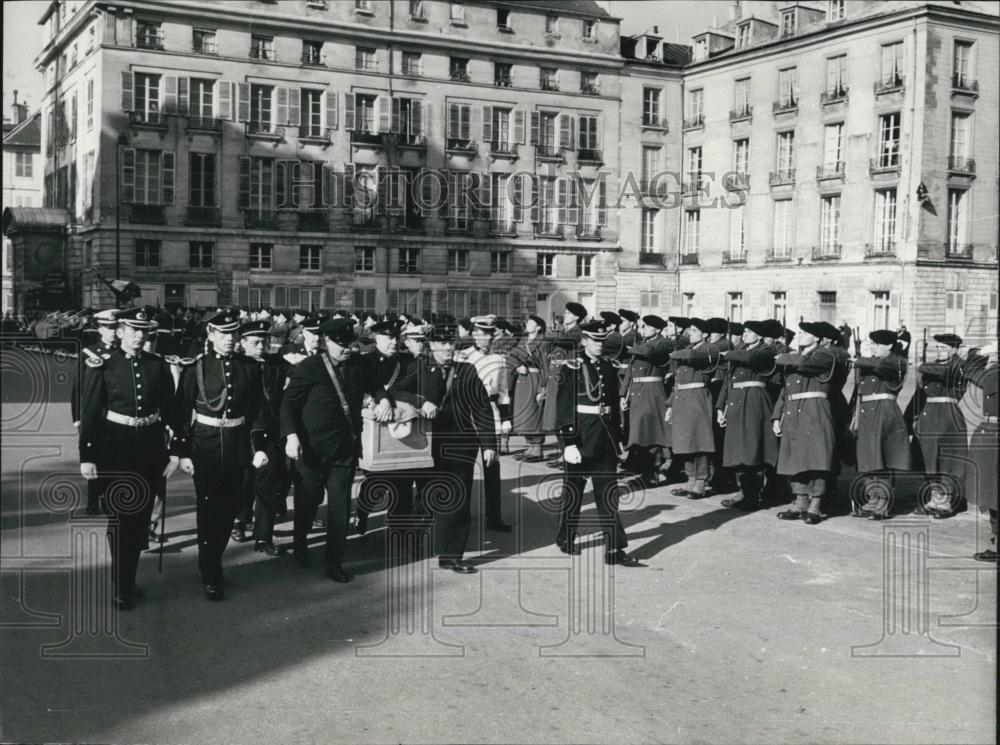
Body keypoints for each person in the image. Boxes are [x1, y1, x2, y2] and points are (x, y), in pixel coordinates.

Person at [77, 306, 180, 610]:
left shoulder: (157, 365)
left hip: (149, 450)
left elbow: (171, 413)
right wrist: (88, 455)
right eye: (133, 330)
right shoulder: (103, 366)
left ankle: (127, 578)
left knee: (138, 521)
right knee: (121, 520)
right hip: (115, 450)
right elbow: (91, 413)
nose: (139, 336)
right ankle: (121, 586)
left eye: (144, 331)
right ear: (120, 331)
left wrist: (175, 451)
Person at [281, 318, 393, 582]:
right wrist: (291, 436)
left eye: (350, 344)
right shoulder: (309, 367)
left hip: (344, 448)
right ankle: (300, 544)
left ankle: (335, 563)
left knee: (340, 506)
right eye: (340, 345)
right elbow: (288, 404)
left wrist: (383, 398)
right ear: (326, 341)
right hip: (311, 450)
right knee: (308, 501)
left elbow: (375, 385)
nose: (346, 349)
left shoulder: (360, 364)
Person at [175, 310, 264, 600]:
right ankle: (212, 570)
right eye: (223, 334)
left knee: (232, 506)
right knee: (208, 508)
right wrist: (182, 452)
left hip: (237, 443)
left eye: (233, 334)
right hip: (206, 444)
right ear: (211, 335)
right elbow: (180, 412)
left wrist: (259, 446)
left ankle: (210, 556)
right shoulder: (196, 368)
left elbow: (258, 411)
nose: (229, 339)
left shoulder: (249, 367)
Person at [394, 326, 498, 573]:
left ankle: (452, 557)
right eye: (442, 344)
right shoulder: (420, 369)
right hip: (428, 444)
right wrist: (421, 402)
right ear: (431, 347)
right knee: (428, 496)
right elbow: (395, 390)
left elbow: (482, 408)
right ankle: (414, 534)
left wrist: (489, 444)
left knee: (459, 499)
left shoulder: (467, 370)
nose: (448, 349)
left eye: (451, 343)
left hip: (461, 444)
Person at [553, 320, 639, 566]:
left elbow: (612, 407)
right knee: (574, 492)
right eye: (594, 340)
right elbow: (565, 406)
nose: (599, 345)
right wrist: (568, 442)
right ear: (583, 341)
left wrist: (618, 439)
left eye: (602, 341)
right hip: (580, 437)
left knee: (608, 495)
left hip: (605, 439)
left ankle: (614, 548)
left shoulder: (610, 366)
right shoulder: (572, 366)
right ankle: (566, 537)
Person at [356, 319, 420, 537]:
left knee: (403, 481)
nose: (394, 342)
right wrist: (371, 400)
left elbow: (413, 386)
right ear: (378, 338)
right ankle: (362, 512)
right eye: (389, 338)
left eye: (397, 338)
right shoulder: (364, 361)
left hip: (402, 424)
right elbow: (360, 388)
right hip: (374, 426)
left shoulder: (408, 361)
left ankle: (400, 531)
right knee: (376, 481)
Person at [772, 323, 841, 524]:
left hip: (814, 410)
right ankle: (800, 501)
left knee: (816, 459)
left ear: (818, 339)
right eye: (800, 331)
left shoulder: (825, 356)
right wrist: (777, 416)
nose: (800, 335)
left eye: (805, 333)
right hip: (793, 411)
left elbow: (803, 363)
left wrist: (782, 358)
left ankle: (815, 505)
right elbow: (785, 391)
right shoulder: (795, 356)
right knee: (794, 458)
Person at [236, 320, 289, 556]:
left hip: (269, 432)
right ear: (243, 343)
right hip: (240, 432)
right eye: (255, 342)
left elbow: (297, 376)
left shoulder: (277, 364)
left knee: (268, 485)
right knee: (244, 481)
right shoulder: (236, 364)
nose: (261, 347)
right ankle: (240, 520)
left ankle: (263, 537)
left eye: (264, 342)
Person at [717, 320, 779, 511]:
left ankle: (753, 494)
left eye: (749, 332)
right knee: (738, 449)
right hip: (736, 401)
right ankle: (743, 490)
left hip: (754, 401)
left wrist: (729, 353)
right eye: (744, 332)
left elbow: (752, 358)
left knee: (753, 449)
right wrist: (720, 407)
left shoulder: (767, 350)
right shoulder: (739, 350)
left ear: (759, 336)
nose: (744, 335)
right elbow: (728, 381)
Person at [851, 330, 910, 519]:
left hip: (884, 412)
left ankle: (883, 502)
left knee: (882, 458)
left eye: (877, 344)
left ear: (889, 346)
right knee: (869, 457)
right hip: (867, 411)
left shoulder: (897, 361)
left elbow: (879, 366)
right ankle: (872, 498)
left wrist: (857, 359)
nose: (873, 347)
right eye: (872, 343)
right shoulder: (871, 362)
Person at [909, 333, 967, 518]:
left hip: (949, 416)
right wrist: (914, 417)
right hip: (929, 414)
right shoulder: (931, 367)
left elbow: (945, 372)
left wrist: (922, 367)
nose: (940, 351)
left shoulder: (959, 366)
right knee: (929, 458)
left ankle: (947, 500)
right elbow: (919, 395)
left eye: (944, 348)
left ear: (955, 349)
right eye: (938, 347)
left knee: (947, 460)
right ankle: (935, 497)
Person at [465, 315, 513, 531]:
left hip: (489, 414)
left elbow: (503, 392)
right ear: (473, 334)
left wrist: (505, 419)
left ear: (493, 335)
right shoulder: (463, 357)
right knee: (464, 468)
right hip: (466, 414)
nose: (483, 337)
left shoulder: (500, 360)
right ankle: (461, 515)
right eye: (479, 333)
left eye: (487, 333)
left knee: (492, 468)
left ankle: (494, 517)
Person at [71, 308, 121, 515]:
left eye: (115, 327)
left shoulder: (123, 353)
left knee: (114, 459)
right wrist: (78, 418)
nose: (112, 331)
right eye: (108, 327)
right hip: (96, 416)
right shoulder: (90, 353)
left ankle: (112, 497)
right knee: (95, 457)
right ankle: (93, 500)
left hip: (117, 416)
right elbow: (79, 389)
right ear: (99, 329)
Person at [667, 318, 719, 499]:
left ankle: (701, 480)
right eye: (690, 330)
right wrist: (670, 404)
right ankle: (690, 478)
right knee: (686, 441)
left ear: (705, 334)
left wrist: (675, 353)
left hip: (698, 397)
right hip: (681, 398)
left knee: (700, 441)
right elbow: (677, 381)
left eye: (695, 331)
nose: (691, 334)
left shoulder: (710, 349)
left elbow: (692, 358)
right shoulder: (686, 350)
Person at [621, 314, 672, 487]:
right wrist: (623, 394)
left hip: (652, 393)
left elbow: (652, 353)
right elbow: (630, 371)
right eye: (642, 326)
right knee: (640, 435)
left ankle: (653, 474)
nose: (643, 329)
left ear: (657, 329)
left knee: (652, 435)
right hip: (637, 392)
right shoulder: (641, 344)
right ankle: (645, 472)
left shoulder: (663, 343)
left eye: (647, 326)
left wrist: (631, 347)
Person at [962, 342, 998, 563]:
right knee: (992, 490)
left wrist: (984, 353)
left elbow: (972, 371)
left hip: (994, 433)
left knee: (993, 489)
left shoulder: (994, 375)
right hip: (990, 431)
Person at [509, 315, 549, 463]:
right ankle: (530, 447)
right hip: (522, 381)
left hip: (535, 379)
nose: (527, 324)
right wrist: (516, 366)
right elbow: (511, 355)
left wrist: (543, 387)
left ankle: (537, 448)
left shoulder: (543, 342)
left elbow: (546, 366)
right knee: (524, 414)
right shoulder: (523, 340)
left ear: (538, 327)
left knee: (534, 413)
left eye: (531, 323)